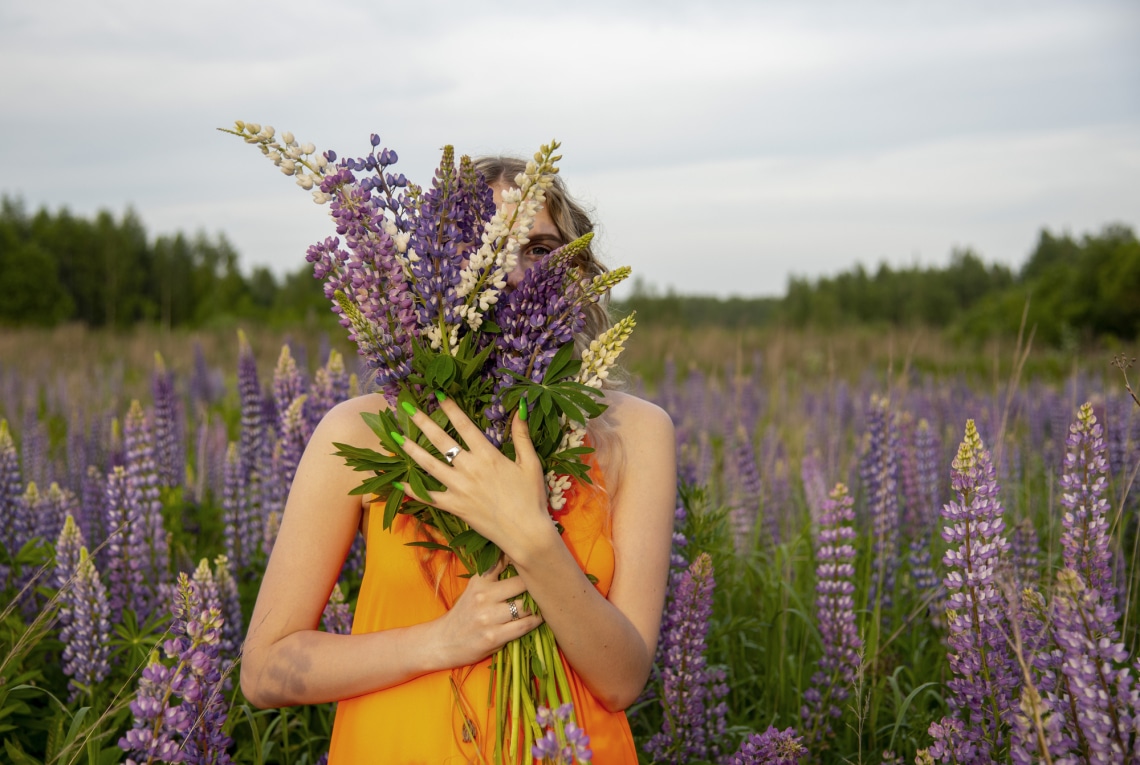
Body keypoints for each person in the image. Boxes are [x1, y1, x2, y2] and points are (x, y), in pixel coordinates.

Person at [240, 156, 677, 764]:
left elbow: (623, 679)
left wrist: (531, 538)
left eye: (539, 248)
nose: (511, 274)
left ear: (575, 270)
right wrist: (439, 642)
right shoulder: (362, 431)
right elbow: (263, 671)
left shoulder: (635, 432)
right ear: (439, 270)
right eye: (487, 248)